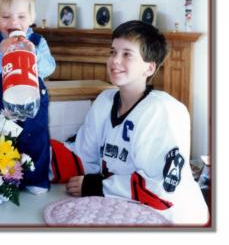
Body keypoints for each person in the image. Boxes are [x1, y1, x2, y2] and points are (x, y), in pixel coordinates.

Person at [50, 20, 209, 225]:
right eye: (112, 52)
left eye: (127, 54)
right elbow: (83, 155)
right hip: (126, 209)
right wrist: (33, 160)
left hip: (176, 219)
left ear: (149, 68)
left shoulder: (164, 110)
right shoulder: (105, 101)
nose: (115, 60)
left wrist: (97, 186)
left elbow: (161, 187)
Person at [0, 0, 56, 194]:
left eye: (21, 17)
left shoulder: (38, 41)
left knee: (36, 137)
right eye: (6, 17)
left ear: (31, 18)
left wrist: (35, 54)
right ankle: (2, 180)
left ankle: (36, 179)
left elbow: (49, 69)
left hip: (32, 100)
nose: (14, 22)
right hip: (0, 100)